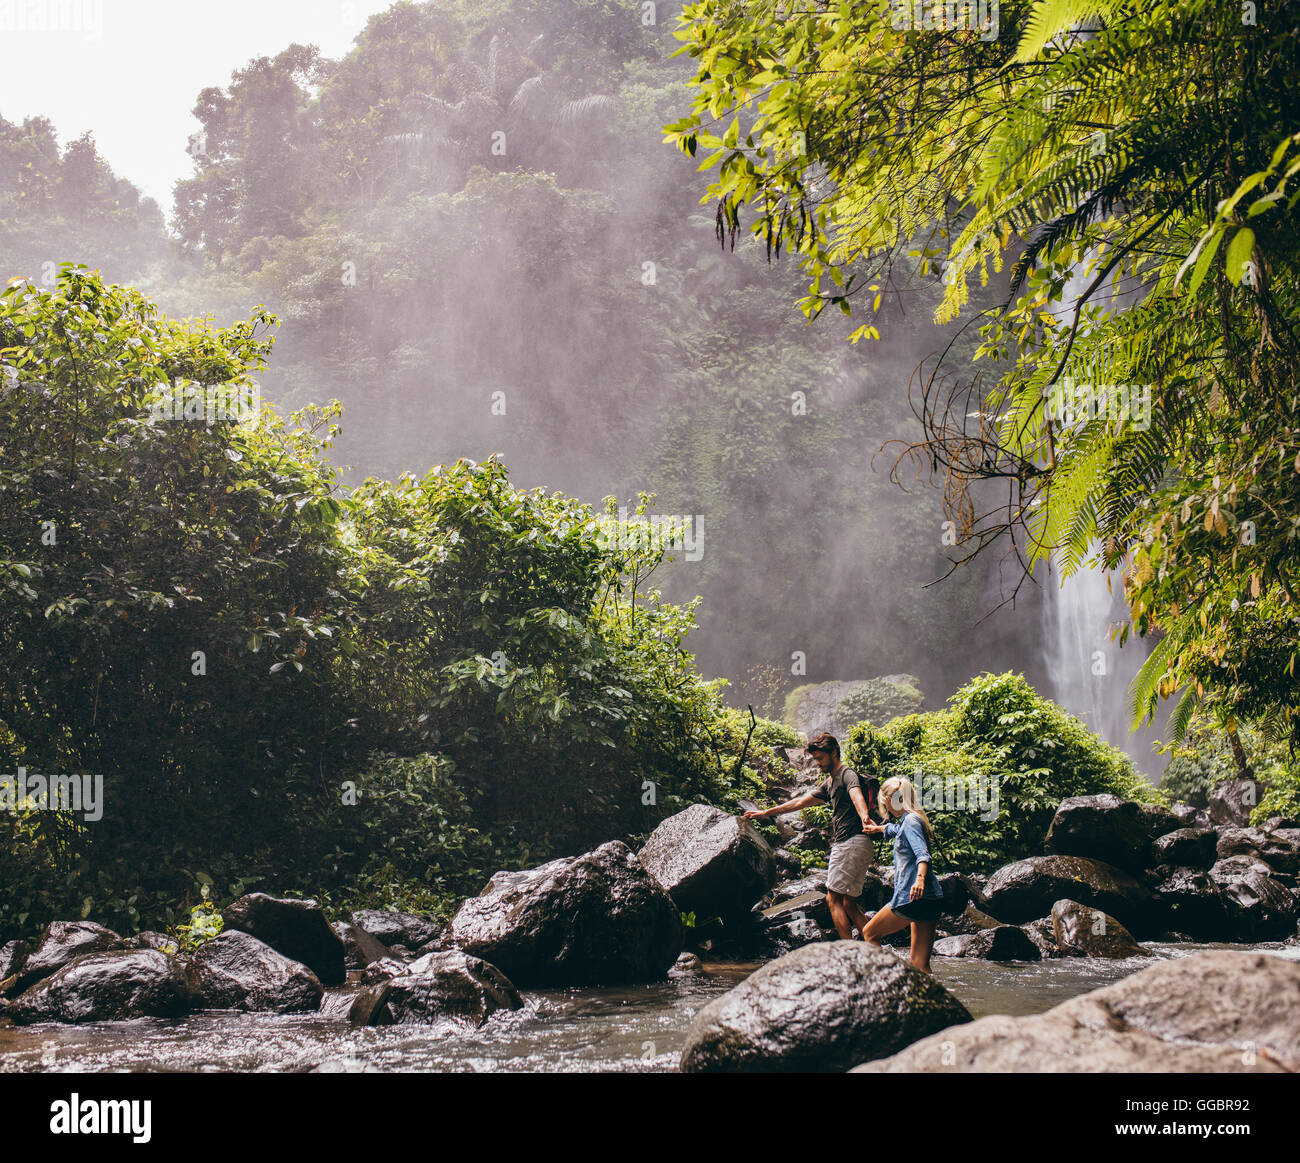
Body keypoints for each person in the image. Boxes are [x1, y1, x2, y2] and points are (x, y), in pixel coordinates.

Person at [744, 732, 881, 940]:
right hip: (862, 845)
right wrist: (765, 812)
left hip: (848, 843)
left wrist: (864, 817)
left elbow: (856, 794)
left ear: (834, 752)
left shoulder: (846, 774)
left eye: (820, 758)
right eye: (815, 759)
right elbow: (799, 802)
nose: (817, 763)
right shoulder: (830, 783)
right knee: (849, 904)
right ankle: (875, 949)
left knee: (833, 900)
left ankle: (847, 953)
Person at [861, 775, 944, 973]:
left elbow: (922, 855)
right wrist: (878, 829)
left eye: (884, 801)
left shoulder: (911, 822)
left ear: (890, 799)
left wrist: (919, 880)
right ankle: (932, 1001)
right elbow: (896, 830)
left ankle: (886, 982)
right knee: (919, 965)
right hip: (930, 899)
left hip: (912, 897)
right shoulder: (911, 819)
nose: (885, 806)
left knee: (870, 933)